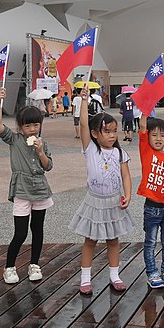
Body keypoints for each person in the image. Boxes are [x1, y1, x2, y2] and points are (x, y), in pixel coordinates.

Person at [69, 88, 134, 294]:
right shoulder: (90, 149)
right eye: (107, 131)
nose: (112, 135)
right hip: (95, 201)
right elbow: (83, 124)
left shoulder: (119, 152)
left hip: (113, 201)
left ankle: (114, 275)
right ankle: (85, 278)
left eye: (115, 131)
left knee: (113, 240)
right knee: (90, 240)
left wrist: (128, 195)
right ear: (96, 134)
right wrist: (84, 101)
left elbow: (125, 175)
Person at [0, 88, 53, 284]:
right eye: (28, 126)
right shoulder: (15, 139)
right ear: (21, 126)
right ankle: (9, 267)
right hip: (21, 189)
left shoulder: (42, 142)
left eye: (36, 125)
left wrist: (41, 151)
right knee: (20, 232)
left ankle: (34, 265)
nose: (33, 129)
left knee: (38, 229)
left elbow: (48, 166)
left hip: (40, 189)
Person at [137, 113, 164, 288]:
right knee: (151, 242)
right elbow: (142, 128)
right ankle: (152, 272)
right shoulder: (146, 151)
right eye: (154, 135)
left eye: (162, 135)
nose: (158, 138)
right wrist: (145, 111)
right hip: (152, 208)